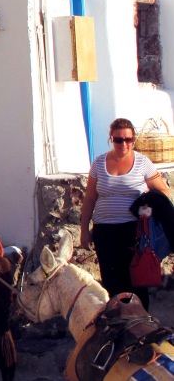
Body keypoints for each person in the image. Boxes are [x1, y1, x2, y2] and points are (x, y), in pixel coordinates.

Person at [79, 117, 170, 309]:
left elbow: (163, 191)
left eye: (128, 140)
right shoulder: (99, 163)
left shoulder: (142, 162)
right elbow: (89, 199)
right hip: (104, 230)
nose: (124, 144)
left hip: (133, 230)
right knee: (111, 279)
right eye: (119, 139)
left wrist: (148, 206)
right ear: (111, 139)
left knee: (135, 279)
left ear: (133, 140)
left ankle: (140, 322)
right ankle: (118, 323)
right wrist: (84, 230)